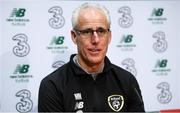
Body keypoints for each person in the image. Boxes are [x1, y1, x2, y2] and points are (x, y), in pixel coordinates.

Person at [38, 2, 145, 112]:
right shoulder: (52, 86)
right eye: (87, 32)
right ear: (74, 37)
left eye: (101, 31)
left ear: (109, 37)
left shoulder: (127, 80)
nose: (95, 40)